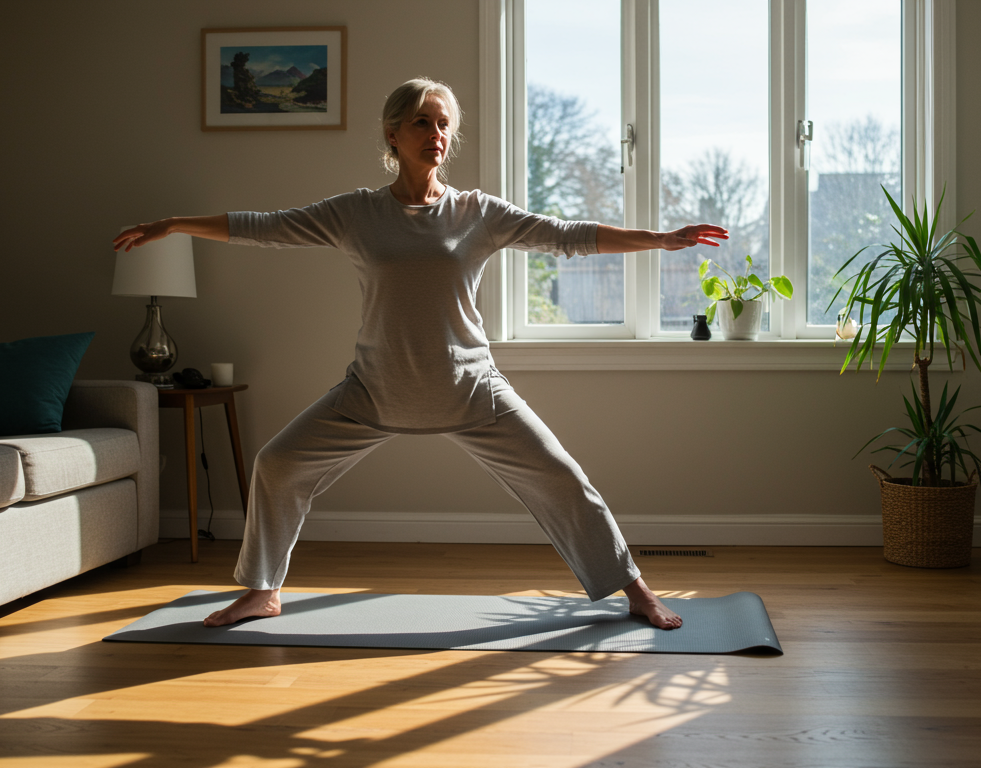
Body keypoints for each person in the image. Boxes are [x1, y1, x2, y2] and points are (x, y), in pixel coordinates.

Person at [113, 77, 727, 631]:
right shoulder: (355, 213)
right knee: (277, 465)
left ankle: (636, 591)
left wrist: (660, 238)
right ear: (393, 133)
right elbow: (267, 225)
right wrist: (174, 223)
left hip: (470, 389)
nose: (436, 135)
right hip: (374, 391)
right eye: (422, 123)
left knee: (563, 481)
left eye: (443, 124)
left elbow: (564, 236)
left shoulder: (477, 213)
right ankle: (262, 590)